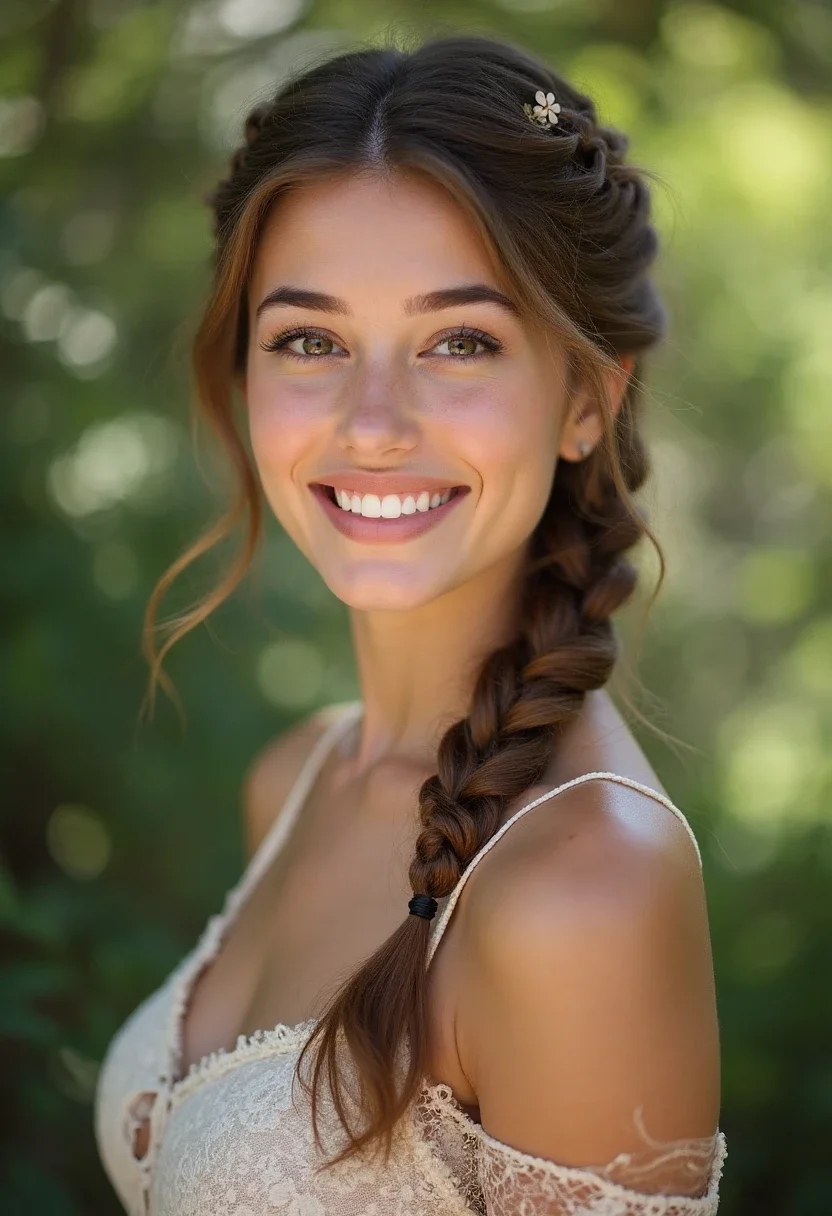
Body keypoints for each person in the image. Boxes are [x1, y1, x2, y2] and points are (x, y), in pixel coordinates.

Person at [94, 30, 727, 1216]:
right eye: (310, 340)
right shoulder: (297, 777)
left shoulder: (587, 883)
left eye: (459, 342)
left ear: (587, 397)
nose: (372, 422)